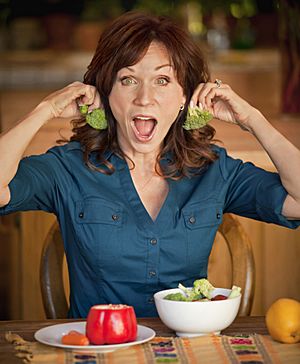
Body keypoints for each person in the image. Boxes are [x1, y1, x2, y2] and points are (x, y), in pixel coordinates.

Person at [0, 11, 299, 318]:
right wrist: (45, 110)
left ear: (186, 96)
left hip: (190, 347)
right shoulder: (68, 169)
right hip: (100, 349)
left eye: (162, 80)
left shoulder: (214, 170)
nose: (145, 98)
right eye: (128, 79)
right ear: (105, 93)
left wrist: (252, 119)